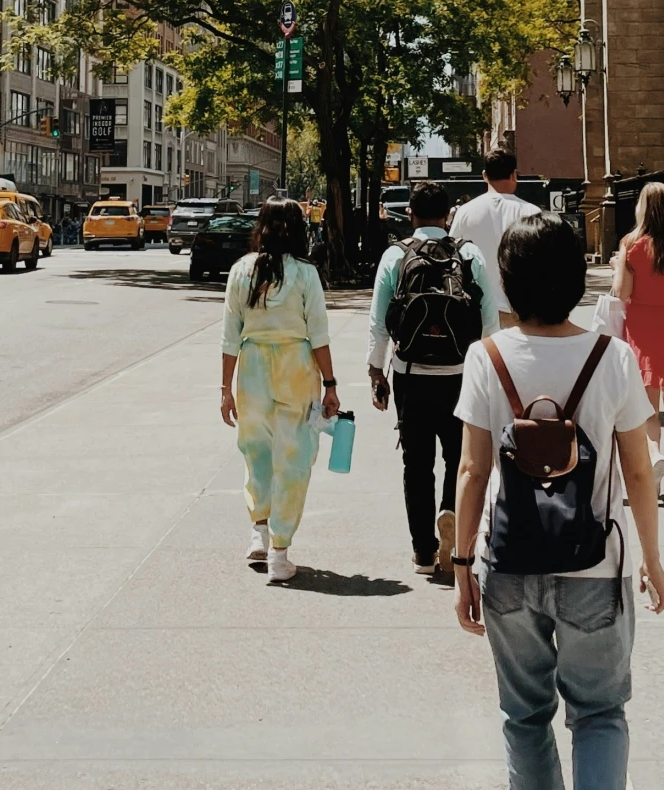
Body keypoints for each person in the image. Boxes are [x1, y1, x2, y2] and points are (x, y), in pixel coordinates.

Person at [453, 211, 664, 790]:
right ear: (577, 278)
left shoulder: (488, 357)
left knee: (524, 714)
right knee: (600, 711)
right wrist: (653, 558)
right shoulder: (610, 358)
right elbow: (640, 469)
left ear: (507, 282)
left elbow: (473, 471)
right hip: (594, 568)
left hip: (509, 564)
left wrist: (459, 566)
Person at [367, 180, 499, 574]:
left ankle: (423, 551)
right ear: (448, 216)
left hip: (411, 375)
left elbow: (378, 324)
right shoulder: (469, 254)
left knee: (416, 463)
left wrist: (377, 372)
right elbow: (489, 320)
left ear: (410, 214)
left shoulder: (395, 256)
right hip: (461, 374)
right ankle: (451, 519)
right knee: (460, 459)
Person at [221, 197, 338, 582]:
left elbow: (229, 336)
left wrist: (226, 388)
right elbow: (318, 334)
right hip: (296, 369)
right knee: (294, 456)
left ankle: (258, 532)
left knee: (255, 450)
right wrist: (331, 385)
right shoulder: (306, 274)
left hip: (252, 368)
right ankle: (280, 552)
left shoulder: (241, 271)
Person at [611, 182, 664, 494]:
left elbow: (622, 293)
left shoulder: (631, 244)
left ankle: (653, 458)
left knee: (647, 407)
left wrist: (616, 268)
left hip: (642, 327)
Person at [449, 147, 538, 317]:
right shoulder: (531, 213)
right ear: (514, 175)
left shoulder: (465, 212)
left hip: (477, 308)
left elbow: (453, 256)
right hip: (521, 310)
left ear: (484, 175)